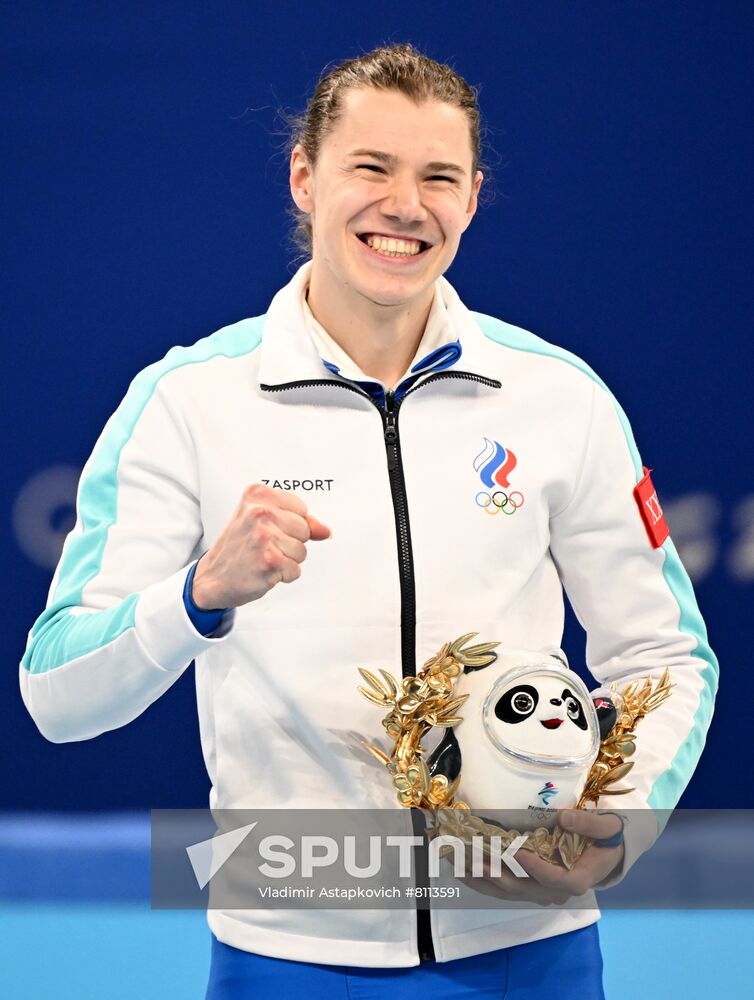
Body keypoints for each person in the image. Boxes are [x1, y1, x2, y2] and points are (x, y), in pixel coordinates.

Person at [21, 42, 717, 999]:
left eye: (439, 176)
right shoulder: (185, 400)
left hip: (530, 947)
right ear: (304, 178)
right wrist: (198, 597)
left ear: (473, 197)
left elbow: (668, 656)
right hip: (284, 950)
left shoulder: (563, 398)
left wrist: (625, 823)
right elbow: (55, 695)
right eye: (371, 168)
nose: (405, 206)